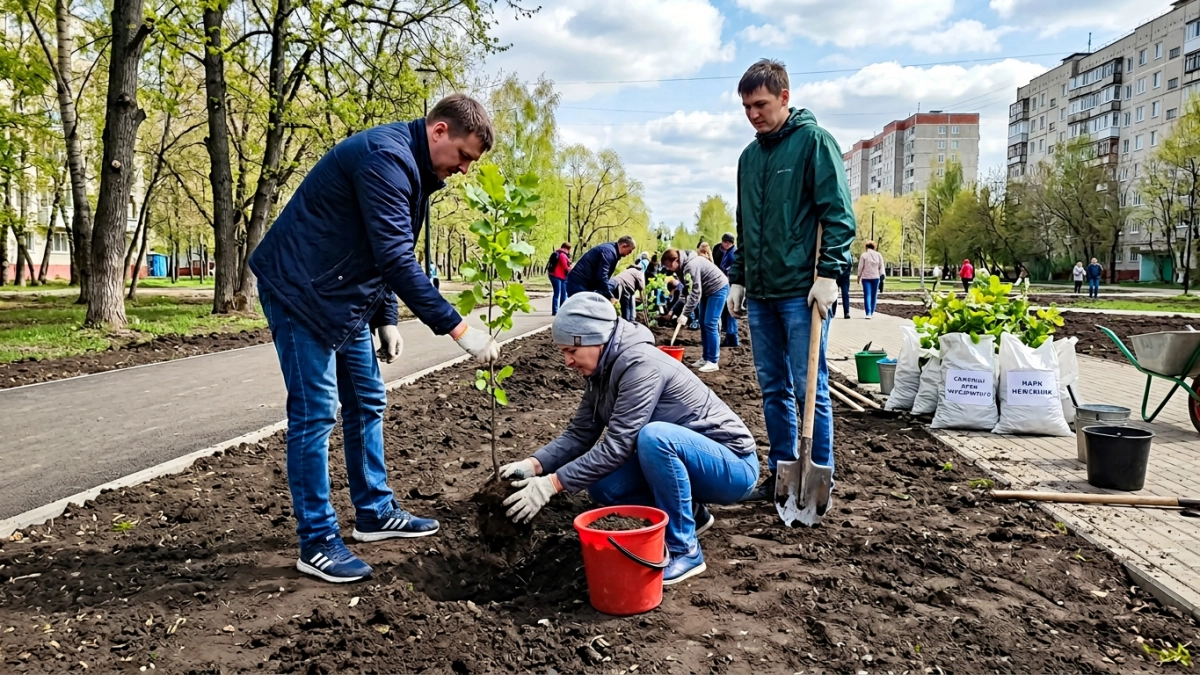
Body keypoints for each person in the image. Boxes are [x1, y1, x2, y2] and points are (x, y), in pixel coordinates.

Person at [249, 94, 501, 583]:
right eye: (463, 156)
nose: (465, 169)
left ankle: (374, 512)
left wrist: (386, 316)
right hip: (300, 290)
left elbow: (382, 246)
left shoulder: (415, 169)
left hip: (342, 296)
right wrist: (459, 329)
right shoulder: (386, 159)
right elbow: (395, 258)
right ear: (439, 131)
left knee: (367, 399)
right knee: (315, 413)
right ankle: (317, 541)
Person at [497, 293, 758, 584]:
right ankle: (693, 515)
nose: (567, 361)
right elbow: (580, 433)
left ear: (595, 340)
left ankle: (685, 549)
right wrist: (533, 465)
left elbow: (617, 447)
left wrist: (551, 485)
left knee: (654, 438)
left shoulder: (640, 365)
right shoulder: (601, 372)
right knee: (603, 485)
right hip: (692, 462)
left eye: (571, 350)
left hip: (732, 465)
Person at [725, 59, 855, 501]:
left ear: (784, 97)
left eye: (760, 104)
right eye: (746, 107)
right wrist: (739, 277)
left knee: (808, 387)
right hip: (762, 295)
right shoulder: (748, 158)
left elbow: (838, 215)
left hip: (802, 292)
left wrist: (829, 274)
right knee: (773, 388)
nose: (753, 114)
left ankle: (819, 479)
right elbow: (745, 225)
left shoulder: (814, 143)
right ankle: (782, 473)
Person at [662, 247, 730, 372]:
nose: (669, 269)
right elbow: (686, 290)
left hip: (718, 288)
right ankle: (705, 357)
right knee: (703, 323)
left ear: (676, 260)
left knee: (710, 323)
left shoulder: (691, 265)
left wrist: (685, 313)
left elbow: (695, 292)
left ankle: (713, 361)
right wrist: (682, 310)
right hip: (706, 292)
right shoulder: (681, 268)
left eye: (669, 266)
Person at [566, 236, 636, 298]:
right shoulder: (609, 253)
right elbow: (602, 276)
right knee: (582, 307)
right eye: (630, 251)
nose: (629, 253)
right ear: (624, 246)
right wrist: (609, 295)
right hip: (579, 283)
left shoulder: (610, 250)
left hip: (581, 282)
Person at [715, 233, 740, 347]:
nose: (726, 244)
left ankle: (733, 338)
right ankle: (729, 337)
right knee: (726, 311)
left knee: (730, 311)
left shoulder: (733, 253)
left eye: (728, 242)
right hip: (724, 284)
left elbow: (733, 270)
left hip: (731, 284)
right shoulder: (721, 250)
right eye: (724, 242)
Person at [857, 241, 884, 319]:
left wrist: (858, 277)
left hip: (866, 278)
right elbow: (881, 267)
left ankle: (868, 313)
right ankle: (872, 312)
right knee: (874, 295)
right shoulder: (878, 255)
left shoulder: (864, 255)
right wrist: (882, 276)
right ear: (874, 247)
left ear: (866, 247)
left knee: (867, 295)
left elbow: (860, 267)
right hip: (876, 277)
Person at [547, 242, 572, 315]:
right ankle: (556, 311)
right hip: (556, 276)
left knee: (563, 294)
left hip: (560, 277)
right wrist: (572, 269)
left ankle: (561, 310)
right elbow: (565, 267)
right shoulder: (562, 255)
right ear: (567, 248)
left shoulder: (558, 253)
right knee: (557, 293)